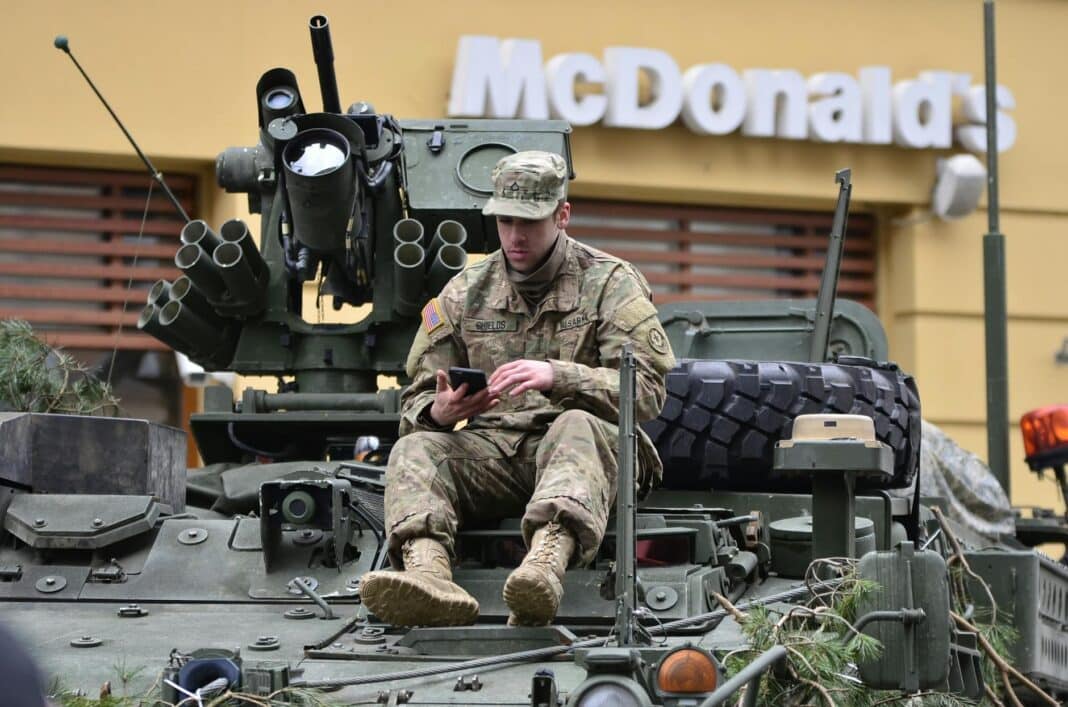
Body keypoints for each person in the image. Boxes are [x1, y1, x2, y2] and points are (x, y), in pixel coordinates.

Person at [360, 150, 675, 627]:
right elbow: (417, 400)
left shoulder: (611, 283)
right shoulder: (465, 292)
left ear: (562, 215)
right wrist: (441, 412)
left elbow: (649, 391)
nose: (515, 236)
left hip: (592, 457)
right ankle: (429, 576)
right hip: (494, 454)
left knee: (574, 424)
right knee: (415, 448)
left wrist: (560, 376)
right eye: (505, 221)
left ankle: (546, 566)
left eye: (529, 221)